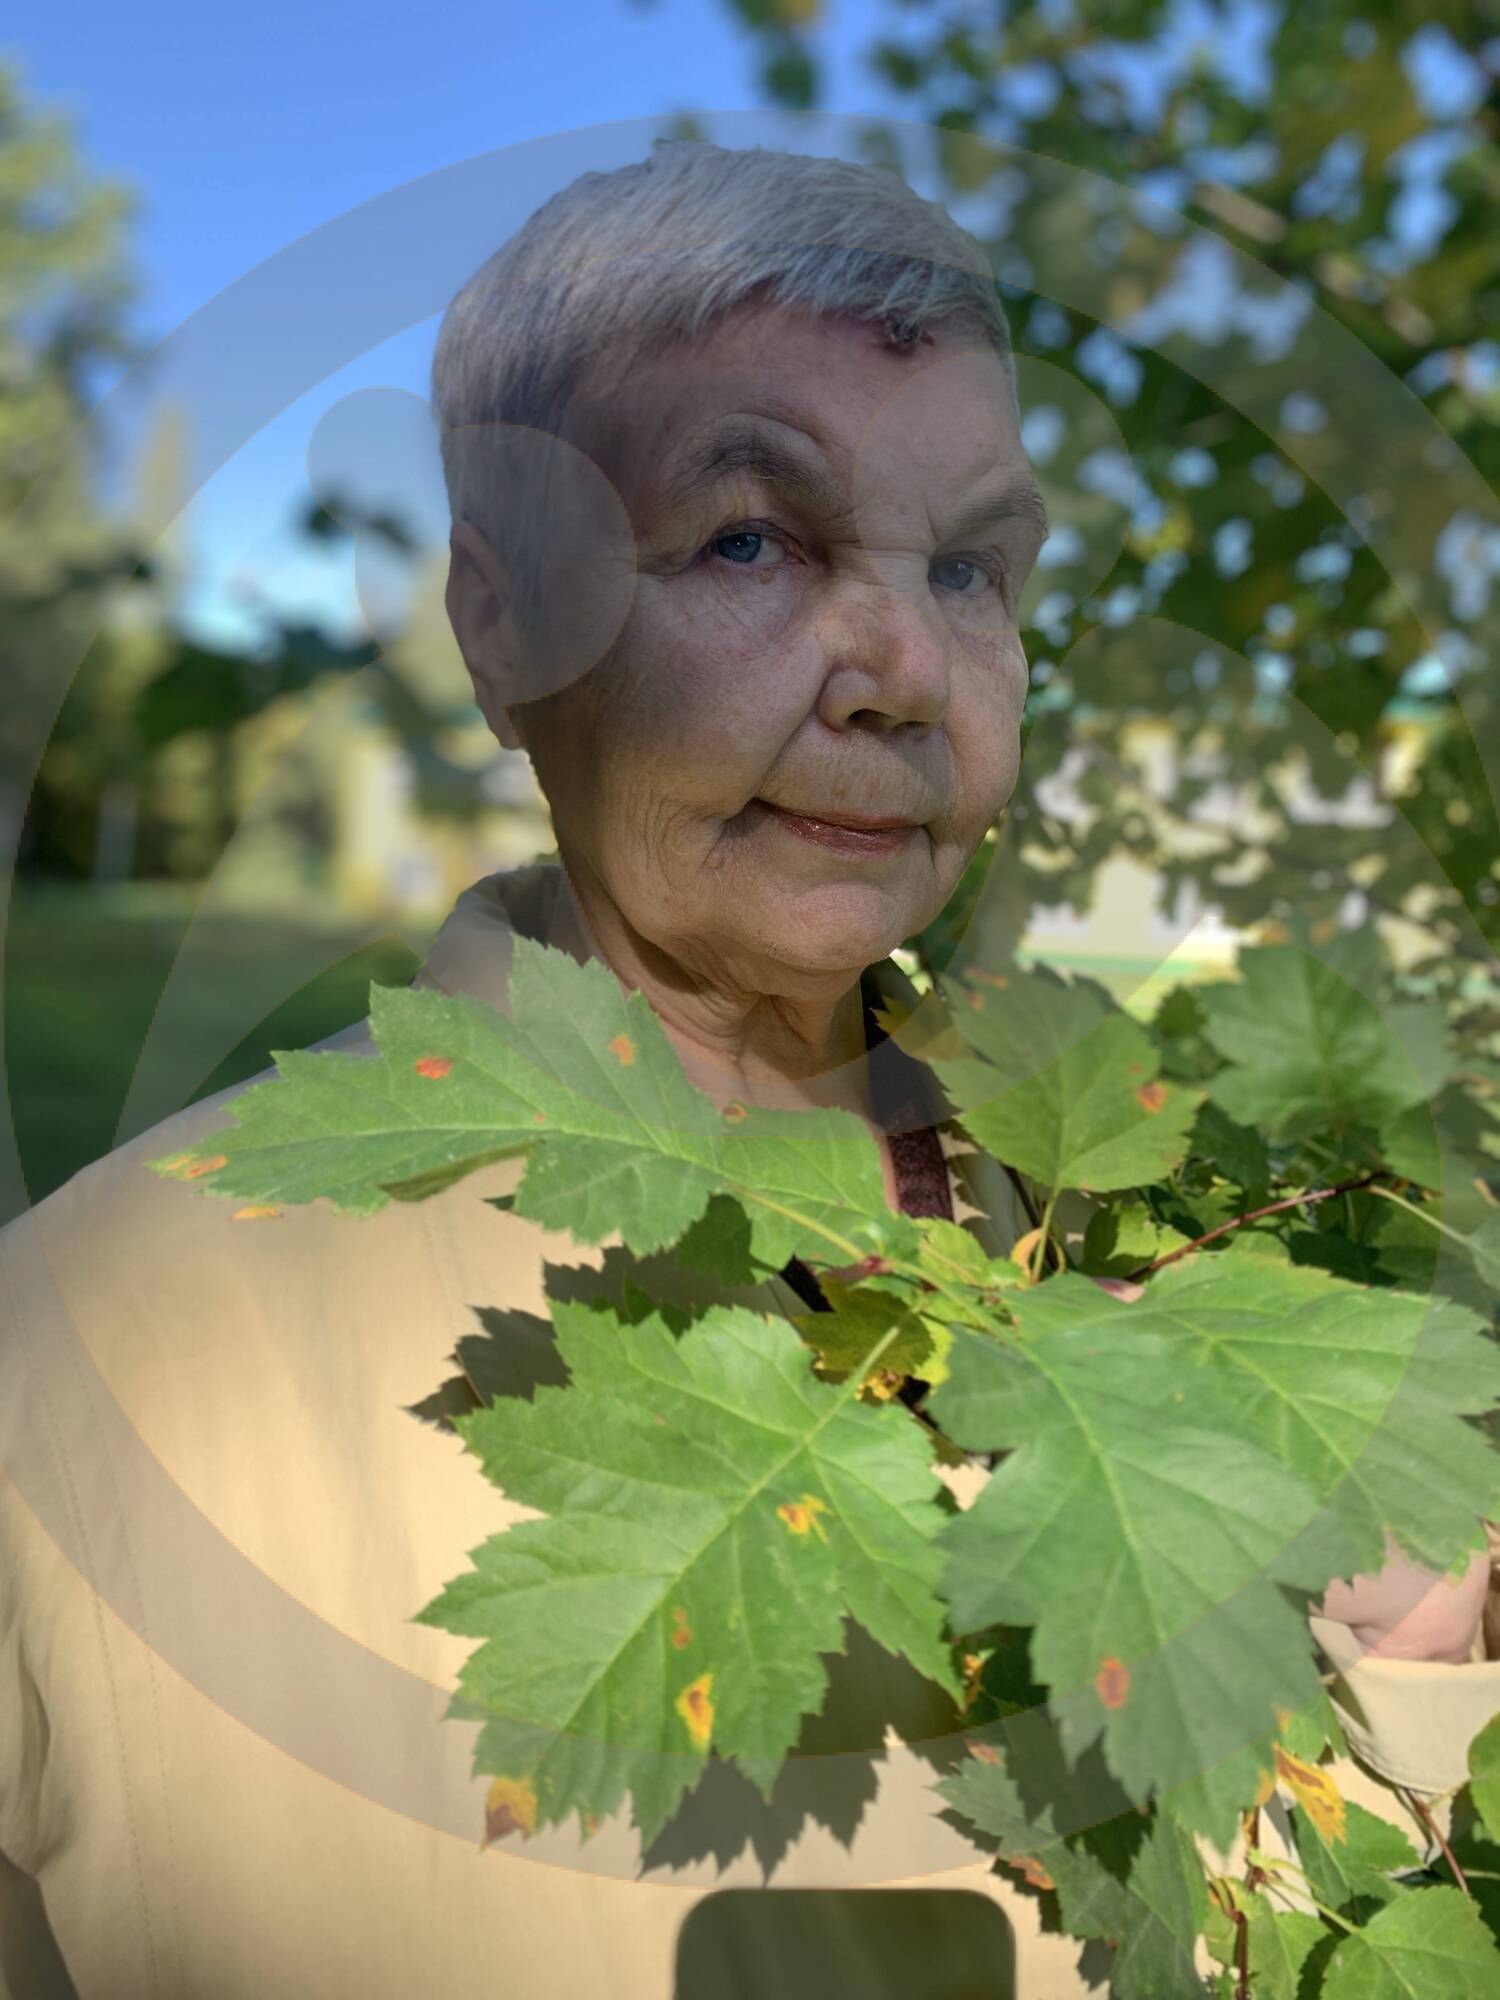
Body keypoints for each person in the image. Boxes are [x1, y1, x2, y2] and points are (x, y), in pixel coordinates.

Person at [0, 139, 1494, 2000]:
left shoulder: (1154, 1252)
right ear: (499, 620)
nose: (903, 673)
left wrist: (1402, 1685)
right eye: (749, 537)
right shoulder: (73, 1361)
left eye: (970, 567)